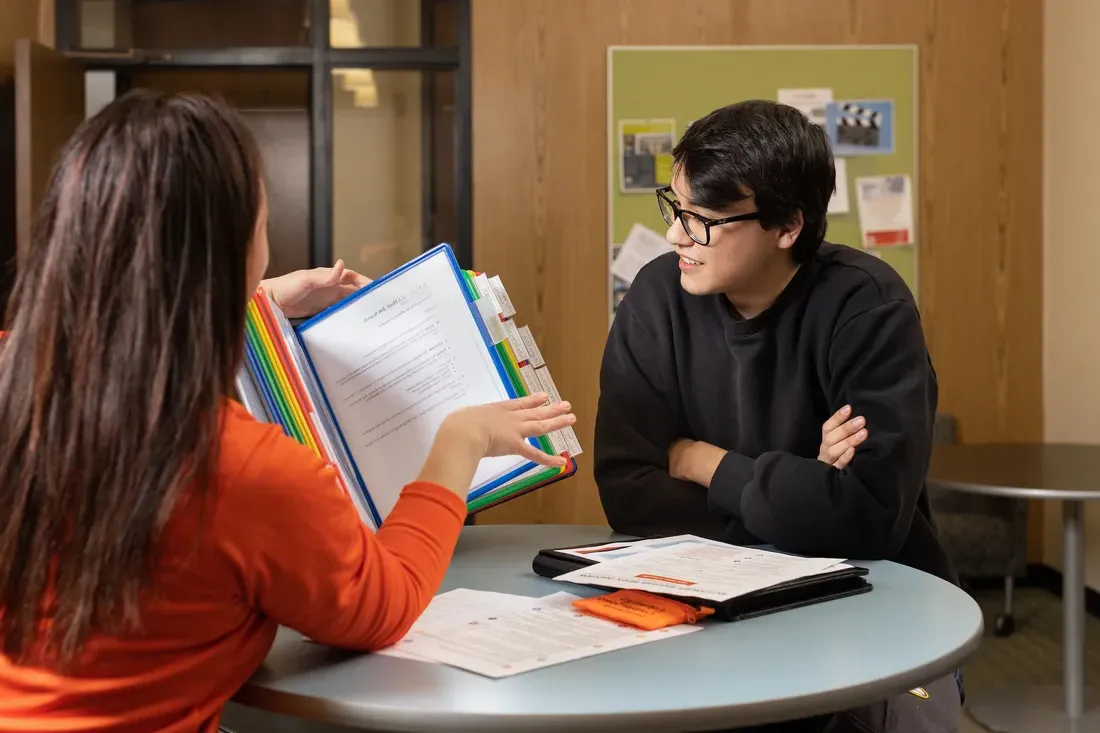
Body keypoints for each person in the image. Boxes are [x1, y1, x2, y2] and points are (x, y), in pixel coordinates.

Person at [0, 89, 575, 732]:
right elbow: (382, 608)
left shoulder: (16, 385)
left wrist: (259, 299)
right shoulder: (242, 469)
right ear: (235, 249)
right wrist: (459, 441)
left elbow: (104, 326)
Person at [593, 100, 960, 732]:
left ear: (787, 226)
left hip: (874, 607)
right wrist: (799, 490)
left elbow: (867, 519)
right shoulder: (656, 297)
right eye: (674, 207)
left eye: (704, 219)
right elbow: (629, 493)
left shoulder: (866, 307)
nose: (678, 235)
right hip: (700, 607)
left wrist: (700, 461)